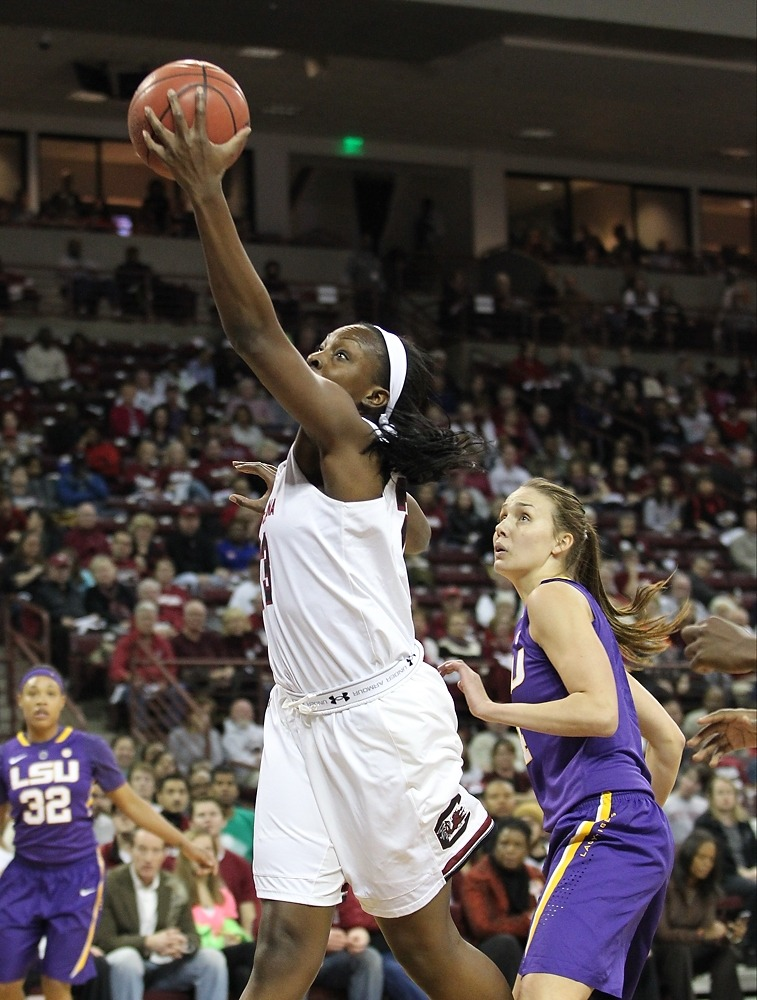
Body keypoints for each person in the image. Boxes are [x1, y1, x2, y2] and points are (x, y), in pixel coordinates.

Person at [143, 90, 510, 1000]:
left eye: (343, 355)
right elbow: (407, 532)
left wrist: (205, 191)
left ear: (371, 402)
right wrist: (280, 500)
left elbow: (251, 330)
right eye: (327, 344)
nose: (318, 355)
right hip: (301, 716)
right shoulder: (324, 464)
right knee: (283, 944)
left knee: (423, 949)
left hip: (380, 723)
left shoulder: (348, 441)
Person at [439, 477, 689, 1000]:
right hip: (613, 825)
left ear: (562, 543)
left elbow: (599, 713)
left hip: (604, 821)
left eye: (524, 517)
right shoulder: (574, 622)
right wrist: (641, 819)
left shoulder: (551, 598)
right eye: (503, 514)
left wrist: (490, 708)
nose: (503, 525)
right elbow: (669, 740)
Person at [0, 665, 216, 1000]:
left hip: (76, 876)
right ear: (19, 701)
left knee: (56, 983)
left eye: (49, 693)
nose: (40, 700)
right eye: (32, 693)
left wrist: (185, 843)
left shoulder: (89, 747)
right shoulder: (6, 756)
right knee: (5, 982)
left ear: (62, 703)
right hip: (24, 876)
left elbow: (132, 804)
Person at [94, 827, 228, 1000]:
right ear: (130, 850)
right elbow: (105, 941)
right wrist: (149, 942)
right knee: (128, 959)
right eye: (142, 849)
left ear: (164, 854)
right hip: (127, 966)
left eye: (155, 851)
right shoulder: (111, 883)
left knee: (212, 959)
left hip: (166, 966)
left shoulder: (174, 885)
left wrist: (181, 944)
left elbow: (193, 936)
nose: (148, 858)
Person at [654, 830, 746, 1000]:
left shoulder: (708, 890)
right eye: (702, 857)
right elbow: (663, 934)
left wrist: (727, 935)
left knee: (724, 953)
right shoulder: (666, 884)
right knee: (678, 952)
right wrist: (701, 935)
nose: (707, 864)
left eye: (711, 859)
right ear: (689, 855)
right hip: (664, 953)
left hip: (691, 950)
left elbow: (708, 928)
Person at [460, 817, 545, 988]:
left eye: (517, 845)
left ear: (527, 849)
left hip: (526, 944)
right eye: (504, 843)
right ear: (494, 846)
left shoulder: (535, 875)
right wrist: (527, 922)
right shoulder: (477, 877)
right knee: (506, 944)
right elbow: (482, 926)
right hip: (484, 949)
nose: (510, 850)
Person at [175, 827, 256, 997]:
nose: (204, 855)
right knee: (255, 951)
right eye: (198, 850)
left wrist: (236, 937)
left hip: (231, 956)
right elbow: (186, 934)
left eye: (209, 850)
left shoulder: (221, 892)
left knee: (243, 974)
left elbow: (232, 927)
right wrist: (221, 940)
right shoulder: (176, 891)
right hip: (198, 955)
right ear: (186, 855)